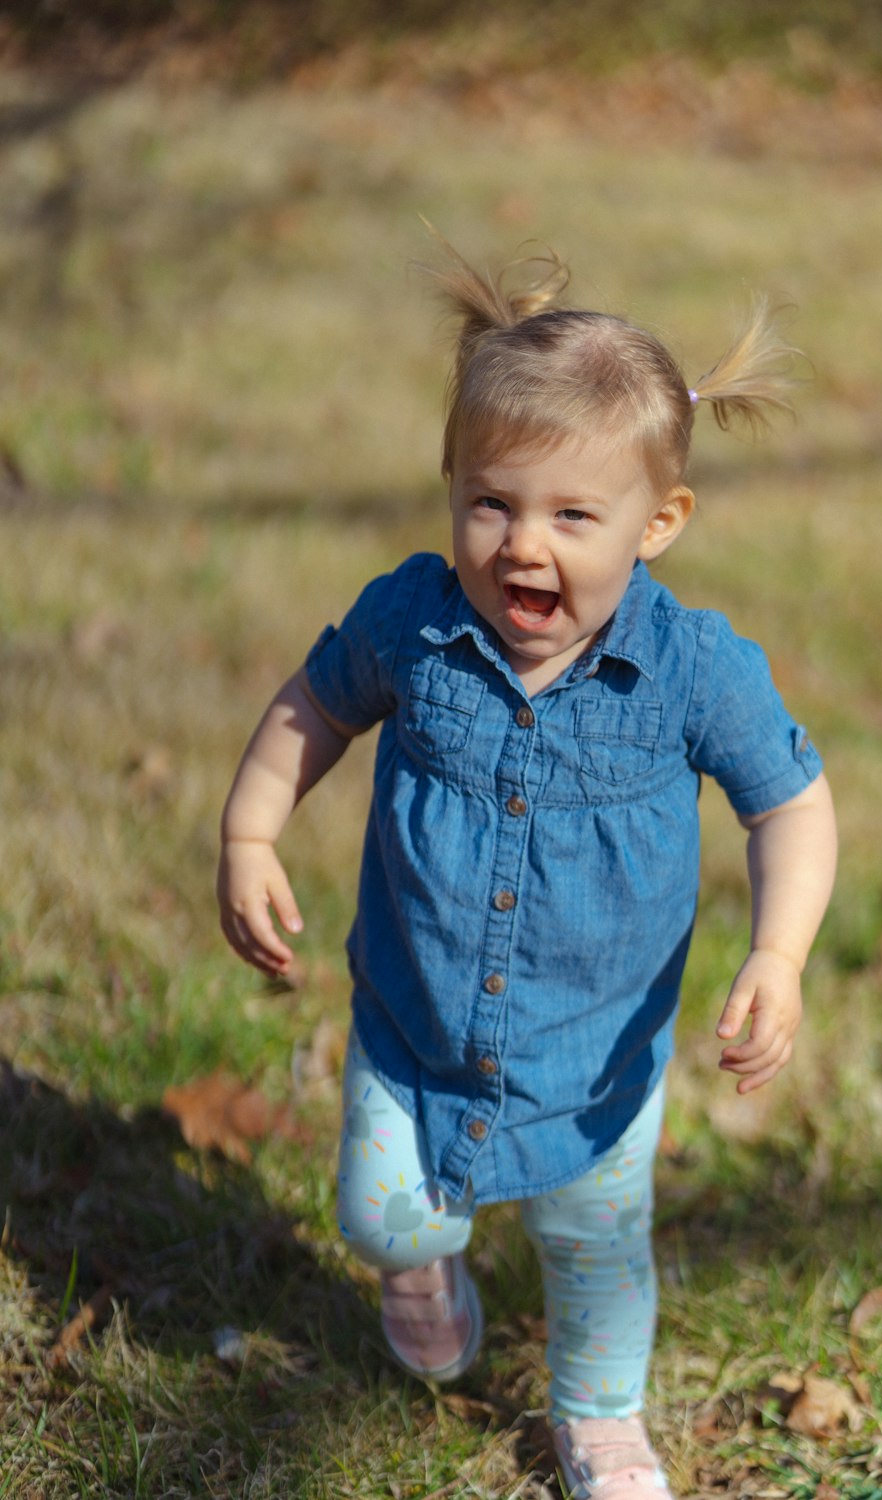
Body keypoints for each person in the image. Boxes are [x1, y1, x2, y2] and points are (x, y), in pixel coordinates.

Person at [217, 240, 837, 1500]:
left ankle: (601, 1417)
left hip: (596, 1054)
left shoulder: (694, 670)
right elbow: (313, 707)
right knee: (383, 1213)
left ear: (658, 524)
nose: (520, 547)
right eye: (490, 503)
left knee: (595, 1252)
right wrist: (250, 830)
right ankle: (418, 1259)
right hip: (414, 1019)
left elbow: (792, 804)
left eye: (570, 516)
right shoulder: (415, 622)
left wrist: (778, 954)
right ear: (450, 489)